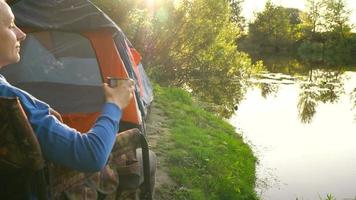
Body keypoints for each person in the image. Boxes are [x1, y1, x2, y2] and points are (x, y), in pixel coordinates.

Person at [0, 0, 155, 199]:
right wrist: (114, 104)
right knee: (147, 160)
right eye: (11, 25)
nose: (22, 34)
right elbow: (91, 154)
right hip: (43, 186)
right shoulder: (13, 102)